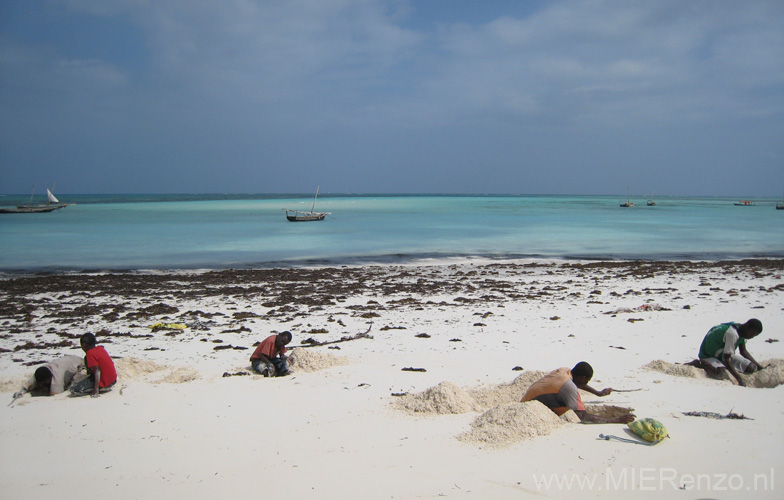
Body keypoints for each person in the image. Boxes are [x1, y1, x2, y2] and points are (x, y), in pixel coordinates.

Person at [521, 362, 635, 423]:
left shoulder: (565, 370)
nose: (586, 383)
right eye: (587, 380)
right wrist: (618, 420)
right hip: (528, 411)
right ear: (582, 378)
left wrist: (598, 393)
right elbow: (584, 417)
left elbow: (577, 384)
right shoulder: (569, 387)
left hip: (526, 398)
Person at [697, 319, 764, 386]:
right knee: (721, 373)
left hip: (722, 354)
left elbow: (743, 351)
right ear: (747, 326)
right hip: (708, 355)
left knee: (752, 367)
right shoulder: (732, 334)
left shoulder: (742, 332)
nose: (751, 336)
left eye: (754, 335)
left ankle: (721, 365)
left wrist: (759, 366)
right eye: (752, 333)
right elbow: (726, 359)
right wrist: (739, 379)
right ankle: (701, 364)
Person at [12, 355, 85, 399]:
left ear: (49, 379)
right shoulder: (39, 373)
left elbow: (55, 396)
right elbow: (26, 386)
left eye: (44, 384)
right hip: (67, 360)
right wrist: (21, 392)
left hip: (79, 363)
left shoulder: (57, 380)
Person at [69, 333, 117, 397]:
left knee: (73, 389)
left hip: (105, 383)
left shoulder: (90, 353)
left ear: (84, 345)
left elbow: (97, 370)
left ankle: (100, 388)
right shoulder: (100, 348)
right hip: (113, 380)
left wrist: (95, 389)